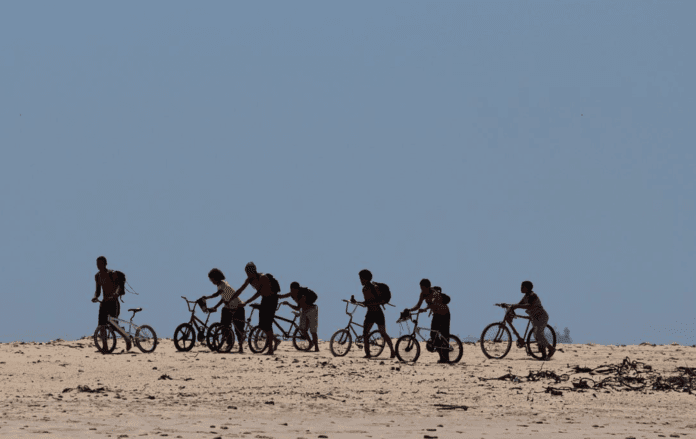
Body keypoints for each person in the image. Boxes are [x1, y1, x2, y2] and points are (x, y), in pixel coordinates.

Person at [235, 262, 280, 355]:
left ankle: (270, 350)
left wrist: (246, 302)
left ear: (253, 271)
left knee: (267, 325)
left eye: (248, 272)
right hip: (265, 300)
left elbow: (259, 293)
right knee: (262, 325)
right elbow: (241, 289)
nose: (247, 274)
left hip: (272, 300)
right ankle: (276, 340)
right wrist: (232, 298)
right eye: (246, 272)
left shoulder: (263, 278)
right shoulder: (249, 279)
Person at [351, 269, 396, 359]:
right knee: (369, 333)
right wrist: (357, 302)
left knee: (379, 333)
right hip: (372, 313)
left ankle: (391, 351)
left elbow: (378, 301)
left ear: (367, 279)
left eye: (362, 279)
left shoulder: (372, 288)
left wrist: (367, 303)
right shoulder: (365, 289)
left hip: (376, 313)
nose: (360, 280)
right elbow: (367, 302)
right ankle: (369, 353)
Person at [408, 278, 451, 363]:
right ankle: (442, 357)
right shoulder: (423, 294)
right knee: (433, 335)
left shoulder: (435, 293)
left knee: (444, 336)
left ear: (428, 287)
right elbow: (418, 305)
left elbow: (433, 303)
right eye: (421, 288)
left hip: (445, 315)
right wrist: (410, 310)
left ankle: (446, 358)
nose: (422, 290)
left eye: (423, 288)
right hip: (436, 315)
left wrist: (424, 309)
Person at [509, 280, 555, 360]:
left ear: (527, 288)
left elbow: (529, 306)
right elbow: (519, 304)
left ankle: (551, 349)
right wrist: (508, 305)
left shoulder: (533, 295)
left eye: (522, 287)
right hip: (534, 317)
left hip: (541, 316)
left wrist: (515, 306)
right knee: (537, 336)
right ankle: (543, 354)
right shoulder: (526, 296)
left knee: (539, 335)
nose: (521, 288)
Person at [91, 256, 130, 350]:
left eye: (100, 263)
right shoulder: (97, 276)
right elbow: (98, 291)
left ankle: (127, 338)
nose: (98, 266)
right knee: (101, 326)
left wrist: (116, 294)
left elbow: (119, 286)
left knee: (114, 326)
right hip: (104, 303)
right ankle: (105, 347)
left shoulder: (112, 274)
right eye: (97, 264)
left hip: (113, 303)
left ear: (105, 264)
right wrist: (95, 297)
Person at [204, 268, 246, 354]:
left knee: (238, 329)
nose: (211, 281)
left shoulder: (223, 284)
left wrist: (207, 297)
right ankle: (229, 344)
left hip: (238, 307)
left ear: (216, 278)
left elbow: (217, 294)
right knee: (224, 326)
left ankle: (241, 347)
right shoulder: (220, 285)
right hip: (228, 307)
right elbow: (223, 299)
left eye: (211, 279)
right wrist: (215, 307)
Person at [279, 282, 319, 352]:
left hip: (312, 310)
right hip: (304, 311)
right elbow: (283, 296)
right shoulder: (292, 293)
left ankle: (316, 348)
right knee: (302, 329)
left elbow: (298, 308)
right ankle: (310, 343)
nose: (292, 291)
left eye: (293, 289)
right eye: (291, 289)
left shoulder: (302, 295)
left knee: (313, 330)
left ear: (297, 289)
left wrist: (288, 304)